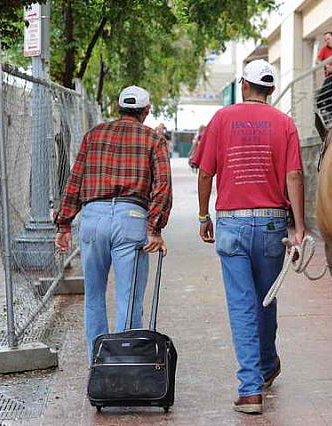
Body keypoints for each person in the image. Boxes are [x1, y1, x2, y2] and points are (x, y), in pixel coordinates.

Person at [194, 59, 306, 414]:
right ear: (271, 90)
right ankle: (268, 363)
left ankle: (250, 390)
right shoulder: (285, 123)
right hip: (273, 224)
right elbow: (295, 177)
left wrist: (202, 216)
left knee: (242, 305)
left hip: (232, 223)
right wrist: (300, 228)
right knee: (266, 299)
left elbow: (205, 173)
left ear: (244, 85)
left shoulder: (222, 119)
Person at [54, 85, 172, 362]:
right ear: (146, 111)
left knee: (94, 295)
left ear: (119, 107)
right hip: (131, 220)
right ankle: (123, 362)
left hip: (93, 218)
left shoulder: (93, 135)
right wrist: (155, 227)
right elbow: (162, 186)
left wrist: (64, 224)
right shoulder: (152, 139)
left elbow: (75, 180)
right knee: (128, 298)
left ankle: (98, 362)